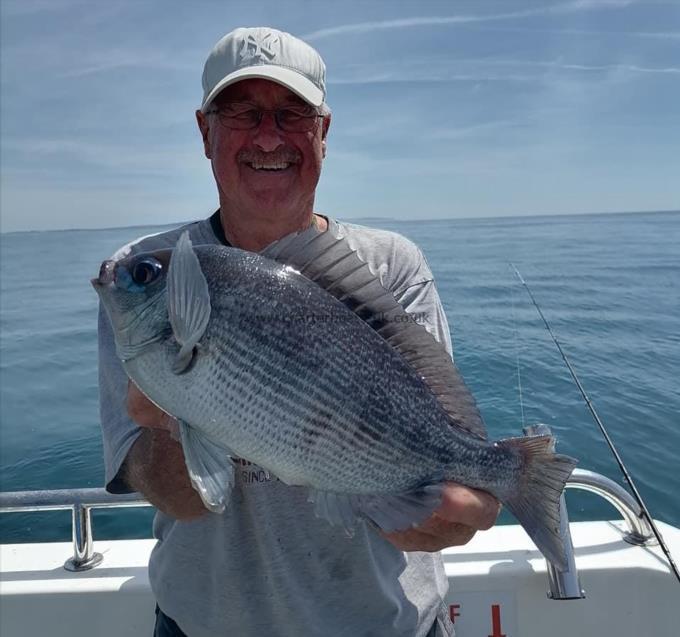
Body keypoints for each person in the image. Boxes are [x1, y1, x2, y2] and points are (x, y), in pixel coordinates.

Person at [98, 27, 499, 637]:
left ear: (323, 133)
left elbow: (441, 441)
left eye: (292, 114)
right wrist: (171, 419)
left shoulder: (391, 265)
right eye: (243, 113)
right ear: (205, 133)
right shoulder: (147, 276)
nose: (268, 135)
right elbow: (179, 498)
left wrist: (462, 494)